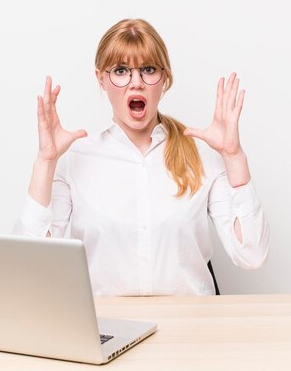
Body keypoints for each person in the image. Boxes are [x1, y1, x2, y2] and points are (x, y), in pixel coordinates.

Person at [14, 18, 269, 296]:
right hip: (106, 329)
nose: (136, 83)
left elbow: (252, 255)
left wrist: (233, 157)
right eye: (121, 71)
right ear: (101, 79)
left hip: (192, 330)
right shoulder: (75, 159)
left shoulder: (202, 155)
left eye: (148, 70)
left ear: (164, 79)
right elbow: (30, 267)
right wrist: (45, 161)